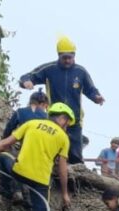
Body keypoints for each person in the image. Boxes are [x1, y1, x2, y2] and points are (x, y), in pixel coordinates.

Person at [19, 36, 104, 165]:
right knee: (52, 151)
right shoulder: (49, 69)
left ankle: (74, 175)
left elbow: (91, 89)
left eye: (70, 57)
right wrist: (26, 82)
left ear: (74, 55)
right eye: (64, 58)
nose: (68, 60)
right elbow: (27, 76)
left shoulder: (81, 72)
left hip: (74, 120)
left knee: (75, 156)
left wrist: (96, 97)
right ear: (59, 55)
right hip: (54, 119)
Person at [0, 90, 50, 201]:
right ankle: (28, 196)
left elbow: (8, 131)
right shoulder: (47, 118)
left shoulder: (20, 112)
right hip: (42, 157)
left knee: (4, 156)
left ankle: (9, 191)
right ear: (43, 104)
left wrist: (5, 145)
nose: (45, 109)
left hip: (25, 151)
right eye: (46, 107)